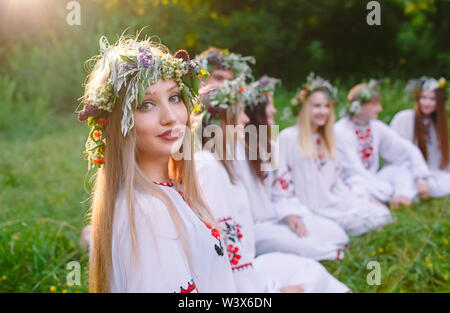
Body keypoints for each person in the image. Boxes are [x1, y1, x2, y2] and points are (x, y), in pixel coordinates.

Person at [78, 34, 236, 292]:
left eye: (174, 98)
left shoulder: (173, 190)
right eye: (146, 104)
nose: (171, 117)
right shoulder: (148, 211)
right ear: (119, 124)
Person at [194, 76, 350, 293]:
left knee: (313, 269)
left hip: (253, 253)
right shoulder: (210, 166)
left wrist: (290, 214)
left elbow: (280, 191)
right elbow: (226, 247)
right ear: (222, 118)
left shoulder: (224, 158)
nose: (246, 118)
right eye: (240, 112)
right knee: (309, 269)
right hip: (239, 277)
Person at [243, 74, 391, 240]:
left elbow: (337, 182)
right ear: (305, 107)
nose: (323, 111)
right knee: (341, 232)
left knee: (381, 214)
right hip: (308, 208)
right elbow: (283, 183)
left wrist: (358, 201)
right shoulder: (289, 138)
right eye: (317, 106)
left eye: (327, 106)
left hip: (333, 202)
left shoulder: (329, 139)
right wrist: (291, 212)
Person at [238, 75, 351, 261]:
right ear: (256, 112)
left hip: (278, 215)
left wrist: (290, 214)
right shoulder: (236, 150)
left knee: (337, 234)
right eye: (269, 106)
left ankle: (315, 246)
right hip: (256, 225)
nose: (274, 109)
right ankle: (321, 253)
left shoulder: (271, 146)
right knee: (311, 246)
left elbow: (282, 189)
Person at [334, 80, 432, 208]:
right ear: (360, 106)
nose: (379, 109)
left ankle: (401, 197)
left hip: (374, 180)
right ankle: (392, 199)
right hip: (353, 183)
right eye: (374, 104)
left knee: (402, 168)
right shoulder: (341, 130)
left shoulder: (376, 127)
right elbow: (354, 171)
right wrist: (388, 191)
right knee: (358, 188)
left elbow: (405, 149)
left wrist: (421, 178)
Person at [390, 77, 449, 198]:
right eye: (424, 98)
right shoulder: (404, 119)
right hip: (407, 171)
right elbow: (399, 152)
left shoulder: (437, 125)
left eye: (432, 99)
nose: (427, 103)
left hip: (431, 172)